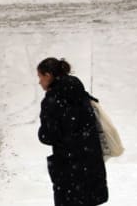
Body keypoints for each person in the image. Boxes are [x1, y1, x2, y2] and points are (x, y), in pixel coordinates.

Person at [37, 58, 108, 206]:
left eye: (40, 77)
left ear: (48, 75)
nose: (39, 82)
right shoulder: (80, 93)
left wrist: (42, 132)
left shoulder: (52, 100)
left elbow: (48, 135)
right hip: (90, 160)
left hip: (68, 165)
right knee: (88, 200)